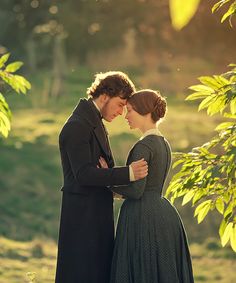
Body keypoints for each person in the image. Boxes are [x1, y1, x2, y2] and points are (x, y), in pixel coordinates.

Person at [55, 71, 148, 283]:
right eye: (120, 104)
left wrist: (108, 178)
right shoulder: (77, 125)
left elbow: (103, 171)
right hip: (82, 219)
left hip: (96, 213)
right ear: (104, 95)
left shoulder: (95, 122)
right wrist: (129, 173)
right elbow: (84, 174)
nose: (121, 112)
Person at [100, 89, 194, 283]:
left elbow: (136, 191)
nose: (126, 116)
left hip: (142, 217)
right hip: (164, 214)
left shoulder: (143, 146)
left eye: (130, 110)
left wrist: (106, 181)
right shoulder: (163, 143)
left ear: (144, 112)